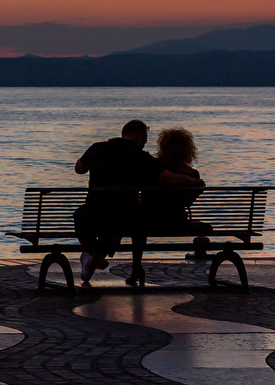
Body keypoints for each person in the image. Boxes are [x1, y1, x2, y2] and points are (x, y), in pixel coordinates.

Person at [74, 119, 205, 284]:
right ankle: (95, 257)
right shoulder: (140, 157)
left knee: (85, 217)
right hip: (122, 214)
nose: (144, 143)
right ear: (140, 135)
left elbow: (79, 168)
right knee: (122, 223)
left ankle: (92, 255)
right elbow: (167, 177)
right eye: (144, 138)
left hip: (92, 212)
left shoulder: (98, 148)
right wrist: (196, 182)